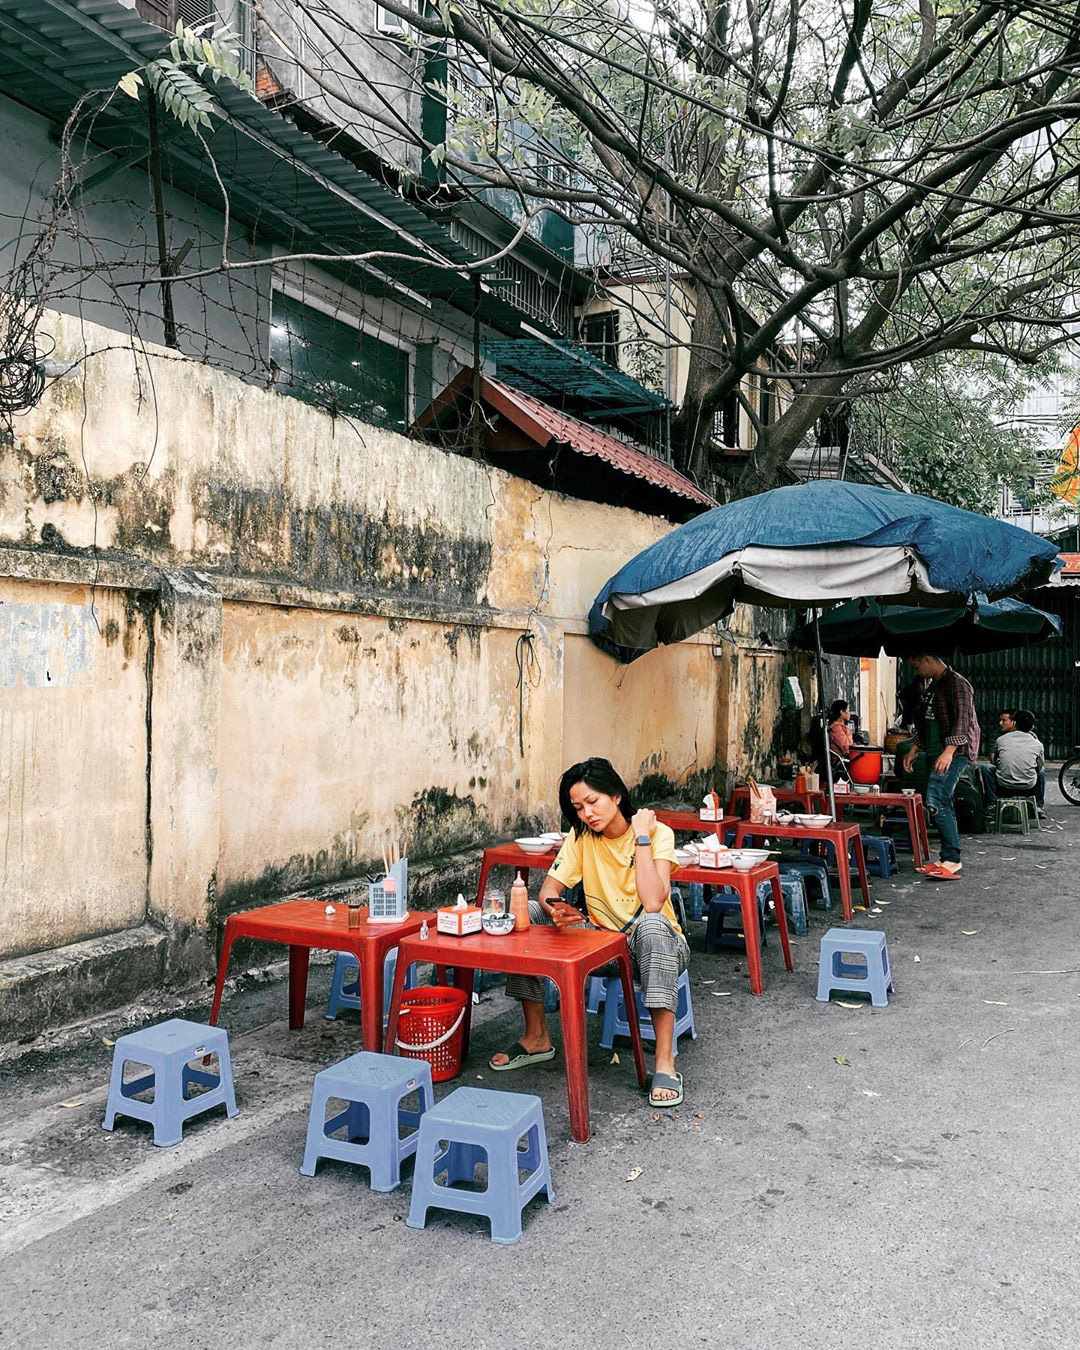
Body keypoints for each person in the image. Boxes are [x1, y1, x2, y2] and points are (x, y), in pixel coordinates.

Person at [489, 757, 690, 1108]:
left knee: (653, 924)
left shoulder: (658, 834)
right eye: (578, 808)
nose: (587, 815)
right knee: (530, 914)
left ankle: (664, 1061)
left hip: (659, 944)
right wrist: (558, 912)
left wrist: (641, 837)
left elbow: (654, 902)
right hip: (600, 942)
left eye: (592, 802)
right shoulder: (581, 837)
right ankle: (536, 1036)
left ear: (616, 795)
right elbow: (547, 891)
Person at [901, 653, 980, 879]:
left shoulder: (958, 684)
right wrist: (915, 748)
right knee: (944, 800)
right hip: (936, 753)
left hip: (953, 754)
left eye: (917, 667)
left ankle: (952, 860)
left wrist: (949, 751)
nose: (916, 672)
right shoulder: (933, 686)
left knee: (935, 801)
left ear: (927, 659)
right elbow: (927, 721)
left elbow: (962, 721)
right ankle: (947, 856)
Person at [980, 709, 1045, 814]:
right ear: (1032, 726)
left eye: (1003, 720)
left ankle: (992, 803)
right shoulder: (1038, 743)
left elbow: (994, 762)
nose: (1000, 723)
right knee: (1042, 772)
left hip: (1004, 786)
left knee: (986, 768)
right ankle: (1037, 806)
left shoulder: (1001, 740)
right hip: (1028, 787)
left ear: (1014, 723)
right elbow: (1040, 766)